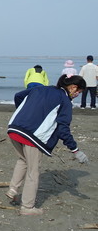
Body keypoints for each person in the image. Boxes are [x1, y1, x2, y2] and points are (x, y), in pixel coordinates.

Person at [6, 75, 89, 215]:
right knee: (33, 171)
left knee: (23, 160)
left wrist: (25, 114)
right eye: (79, 92)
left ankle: (12, 190)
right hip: (33, 137)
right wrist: (75, 150)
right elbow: (63, 129)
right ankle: (27, 207)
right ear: (73, 87)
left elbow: (18, 96)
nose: (77, 95)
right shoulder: (65, 101)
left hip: (14, 128)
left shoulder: (41, 88)